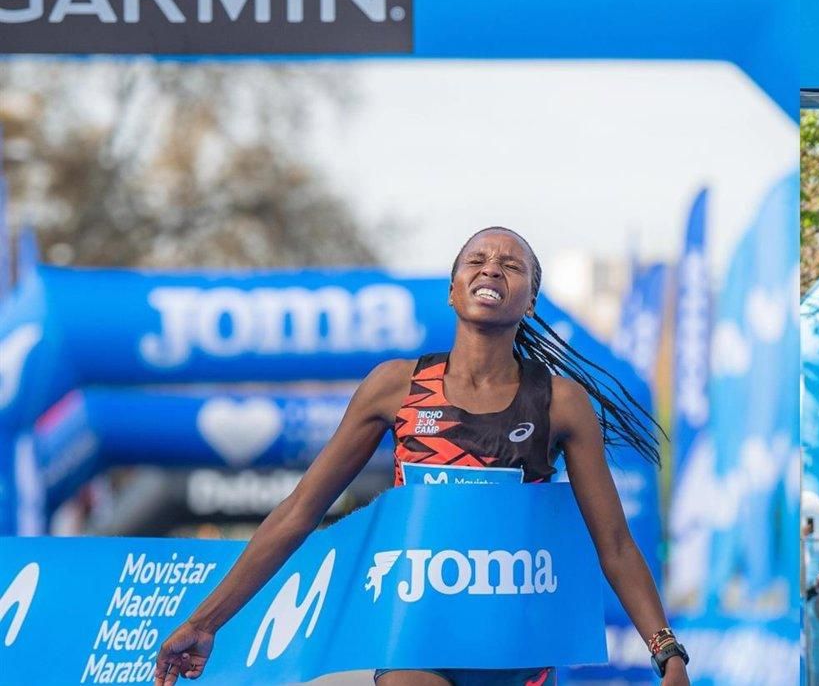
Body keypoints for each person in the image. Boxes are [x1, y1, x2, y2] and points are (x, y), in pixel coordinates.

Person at [153, 227, 690, 686]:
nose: (493, 269)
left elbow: (615, 545)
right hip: (415, 628)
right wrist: (206, 622)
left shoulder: (561, 401)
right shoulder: (395, 386)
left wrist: (664, 648)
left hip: (515, 640)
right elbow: (300, 511)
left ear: (530, 301)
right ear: (453, 291)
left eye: (512, 265)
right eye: (477, 260)